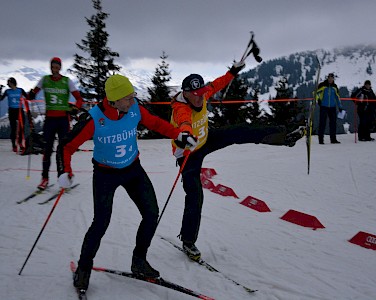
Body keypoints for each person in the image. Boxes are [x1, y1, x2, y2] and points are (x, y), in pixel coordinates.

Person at [56, 74, 197, 291]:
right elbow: (66, 146)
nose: (133, 101)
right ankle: (83, 269)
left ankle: (139, 261)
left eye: (133, 96)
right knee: (100, 223)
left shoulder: (134, 109)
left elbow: (157, 124)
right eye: (128, 98)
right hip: (105, 174)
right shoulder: (94, 119)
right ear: (113, 100)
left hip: (133, 169)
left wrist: (179, 135)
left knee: (151, 214)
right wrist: (65, 171)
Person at [169, 62, 305, 260]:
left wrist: (232, 71)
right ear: (186, 93)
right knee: (195, 196)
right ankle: (188, 241)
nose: (200, 96)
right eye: (195, 94)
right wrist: (186, 135)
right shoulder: (181, 109)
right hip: (188, 153)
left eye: (201, 92)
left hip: (205, 139)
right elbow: (184, 123)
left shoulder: (203, 93)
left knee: (239, 131)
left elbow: (218, 84)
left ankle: (285, 136)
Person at [29, 57, 84, 190]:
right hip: (50, 120)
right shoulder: (45, 80)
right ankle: (45, 178)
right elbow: (33, 93)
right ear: (51, 67)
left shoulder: (66, 81)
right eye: (53, 66)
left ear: (60, 67)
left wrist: (76, 108)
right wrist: (30, 95)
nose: (55, 68)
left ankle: (63, 177)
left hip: (63, 120)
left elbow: (79, 99)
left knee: (62, 150)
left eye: (57, 66)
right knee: (47, 150)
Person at [0, 77, 28, 152]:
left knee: (21, 128)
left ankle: (20, 143)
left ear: (12, 83)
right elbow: (1, 98)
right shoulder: (7, 91)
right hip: (12, 110)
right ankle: (14, 145)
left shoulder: (20, 90)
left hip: (19, 110)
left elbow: (28, 97)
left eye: (9, 83)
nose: (8, 85)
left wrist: (32, 93)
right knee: (13, 128)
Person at [316, 73, 343, 144]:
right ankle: (321, 140)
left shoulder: (335, 87)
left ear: (333, 79)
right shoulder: (322, 85)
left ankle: (333, 139)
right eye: (329, 78)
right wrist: (318, 100)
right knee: (322, 123)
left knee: (333, 123)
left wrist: (340, 107)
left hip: (332, 107)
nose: (330, 79)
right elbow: (316, 94)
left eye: (332, 78)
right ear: (327, 78)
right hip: (324, 107)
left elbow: (337, 97)